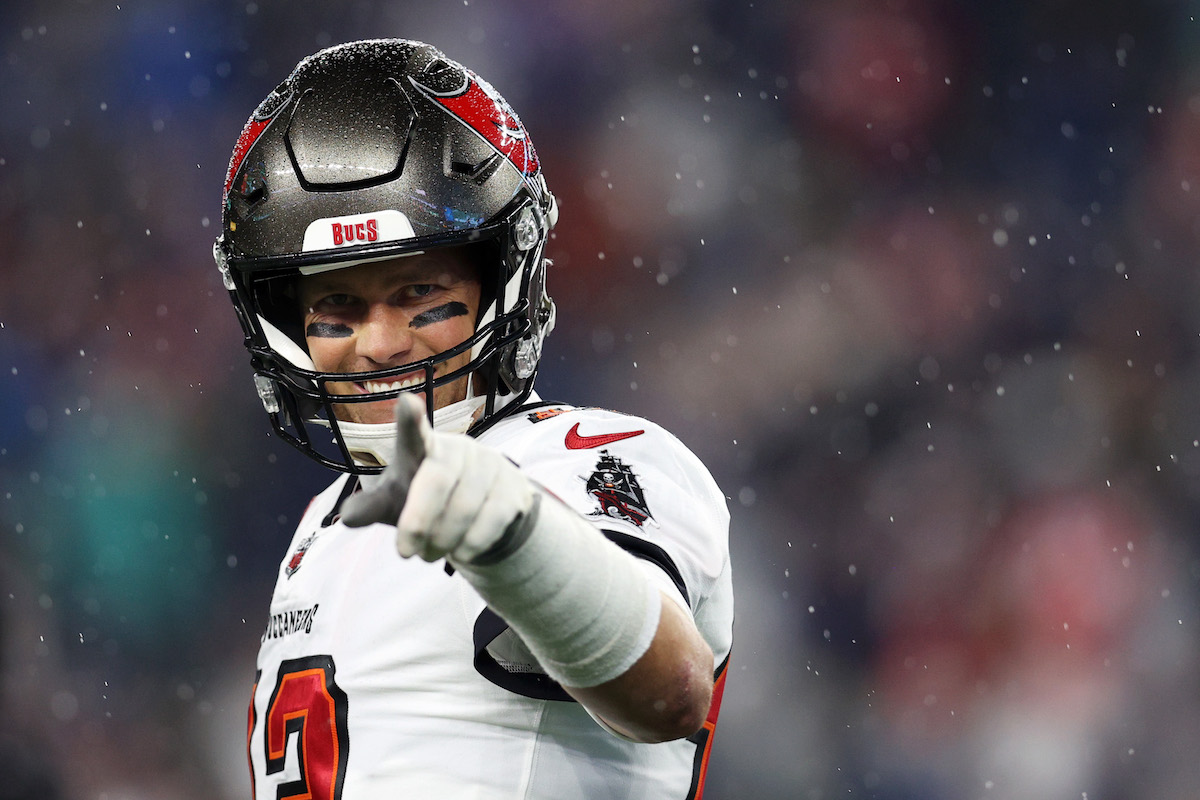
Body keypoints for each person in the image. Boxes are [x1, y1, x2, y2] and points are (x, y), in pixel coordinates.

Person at [213, 38, 733, 799]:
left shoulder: (587, 457)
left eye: (421, 293)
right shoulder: (323, 527)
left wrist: (508, 530)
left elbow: (672, 689)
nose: (382, 343)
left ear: (505, 279)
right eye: (337, 306)